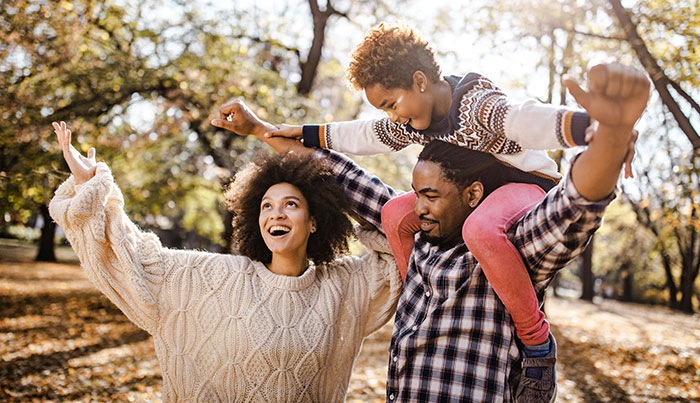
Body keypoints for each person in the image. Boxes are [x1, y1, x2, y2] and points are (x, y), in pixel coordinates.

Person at [211, 59, 650, 402]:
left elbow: (572, 199)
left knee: (482, 229)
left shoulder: (515, 242)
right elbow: (338, 159)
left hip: (526, 194)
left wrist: (605, 136)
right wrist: (261, 129)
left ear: (473, 193)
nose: (420, 207)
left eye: (433, 196)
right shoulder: (418, 219)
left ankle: (536, 339)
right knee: (392, 210)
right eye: (417, 192)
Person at [48, 121, 402, 402]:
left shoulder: (346, 286)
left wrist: (301, 149)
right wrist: (92, 185)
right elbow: (137, 257)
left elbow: (397, 228)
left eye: (291, 204)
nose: (275, 214)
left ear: (315, 221)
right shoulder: (212, 277)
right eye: (266, 206)